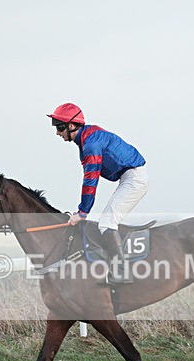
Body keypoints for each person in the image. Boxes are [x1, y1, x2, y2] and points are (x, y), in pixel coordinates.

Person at [47, 102, 149, 284]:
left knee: (107, 223)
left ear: (72, 126)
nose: (57, 132)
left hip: (134, 178)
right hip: (130, 176)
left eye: (60, 127)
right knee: (107, 221)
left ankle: (122, 272)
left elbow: (90, 181)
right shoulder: (87, 136)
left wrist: (82, 212)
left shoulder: (90, 145)